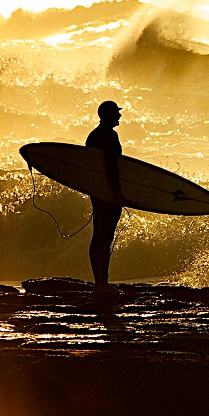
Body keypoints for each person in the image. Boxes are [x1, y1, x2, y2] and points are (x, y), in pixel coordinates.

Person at [85, 100, 128, 291]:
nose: (119, 116)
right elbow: (111, 167)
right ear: (108, 115)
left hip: (98, 191)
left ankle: (100, 281)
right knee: (104, 236)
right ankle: (102, 283)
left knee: (100, 235)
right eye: (116, 113)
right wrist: (117, 193)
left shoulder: (93, 136)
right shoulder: (109, 136)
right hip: (108, 193)